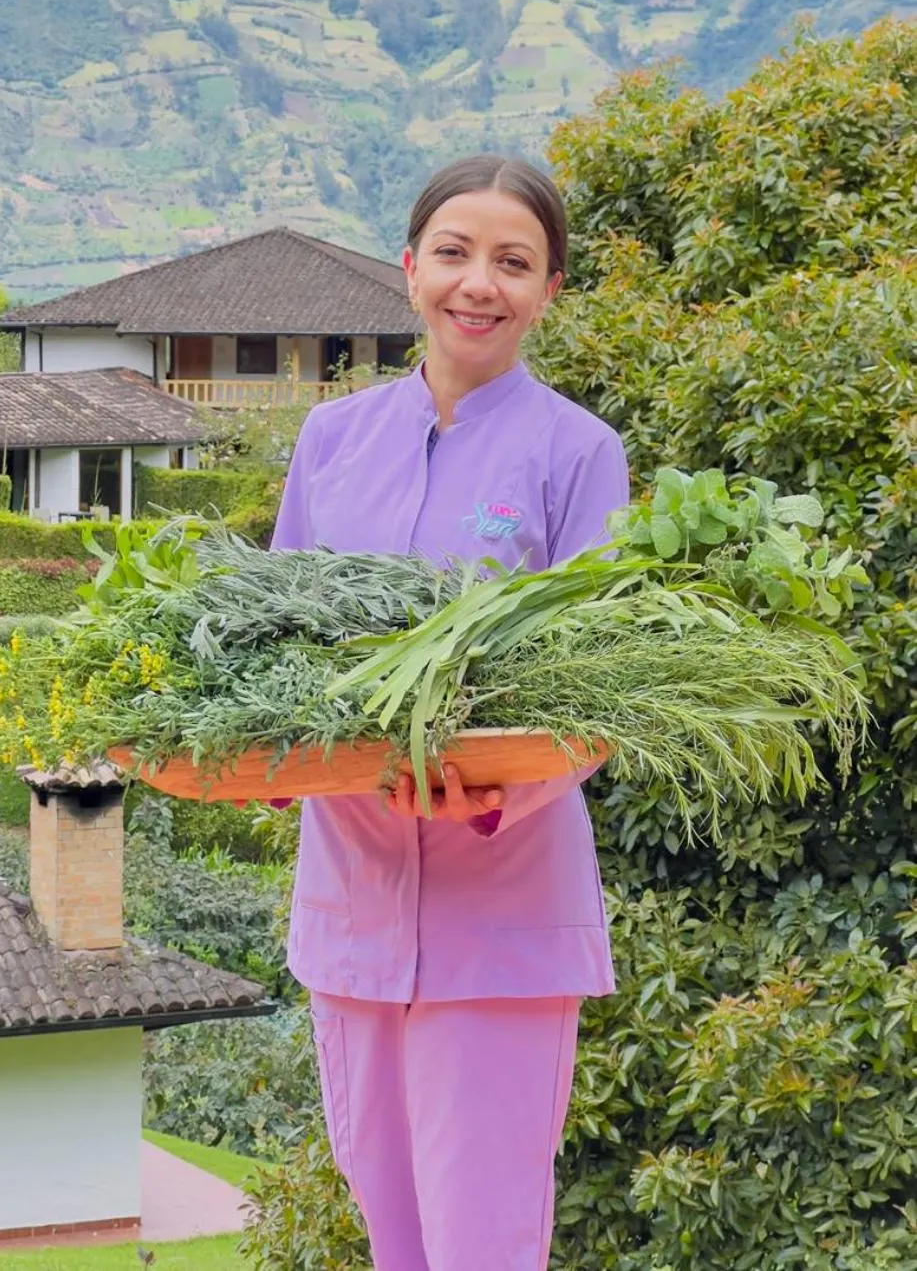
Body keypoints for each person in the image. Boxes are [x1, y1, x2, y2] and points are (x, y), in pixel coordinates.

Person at [270, 154, 630, 1271]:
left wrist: (488, 793)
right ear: (409, 267)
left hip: (502, 917)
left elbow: (598, 687)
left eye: (513, 262)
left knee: (481, 1241)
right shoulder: (331, 440)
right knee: (395, 1234)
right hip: (351, 905)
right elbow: (278, 650)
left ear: (550, 289)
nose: (480, 282)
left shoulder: (578, 452)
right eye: (455, 252)